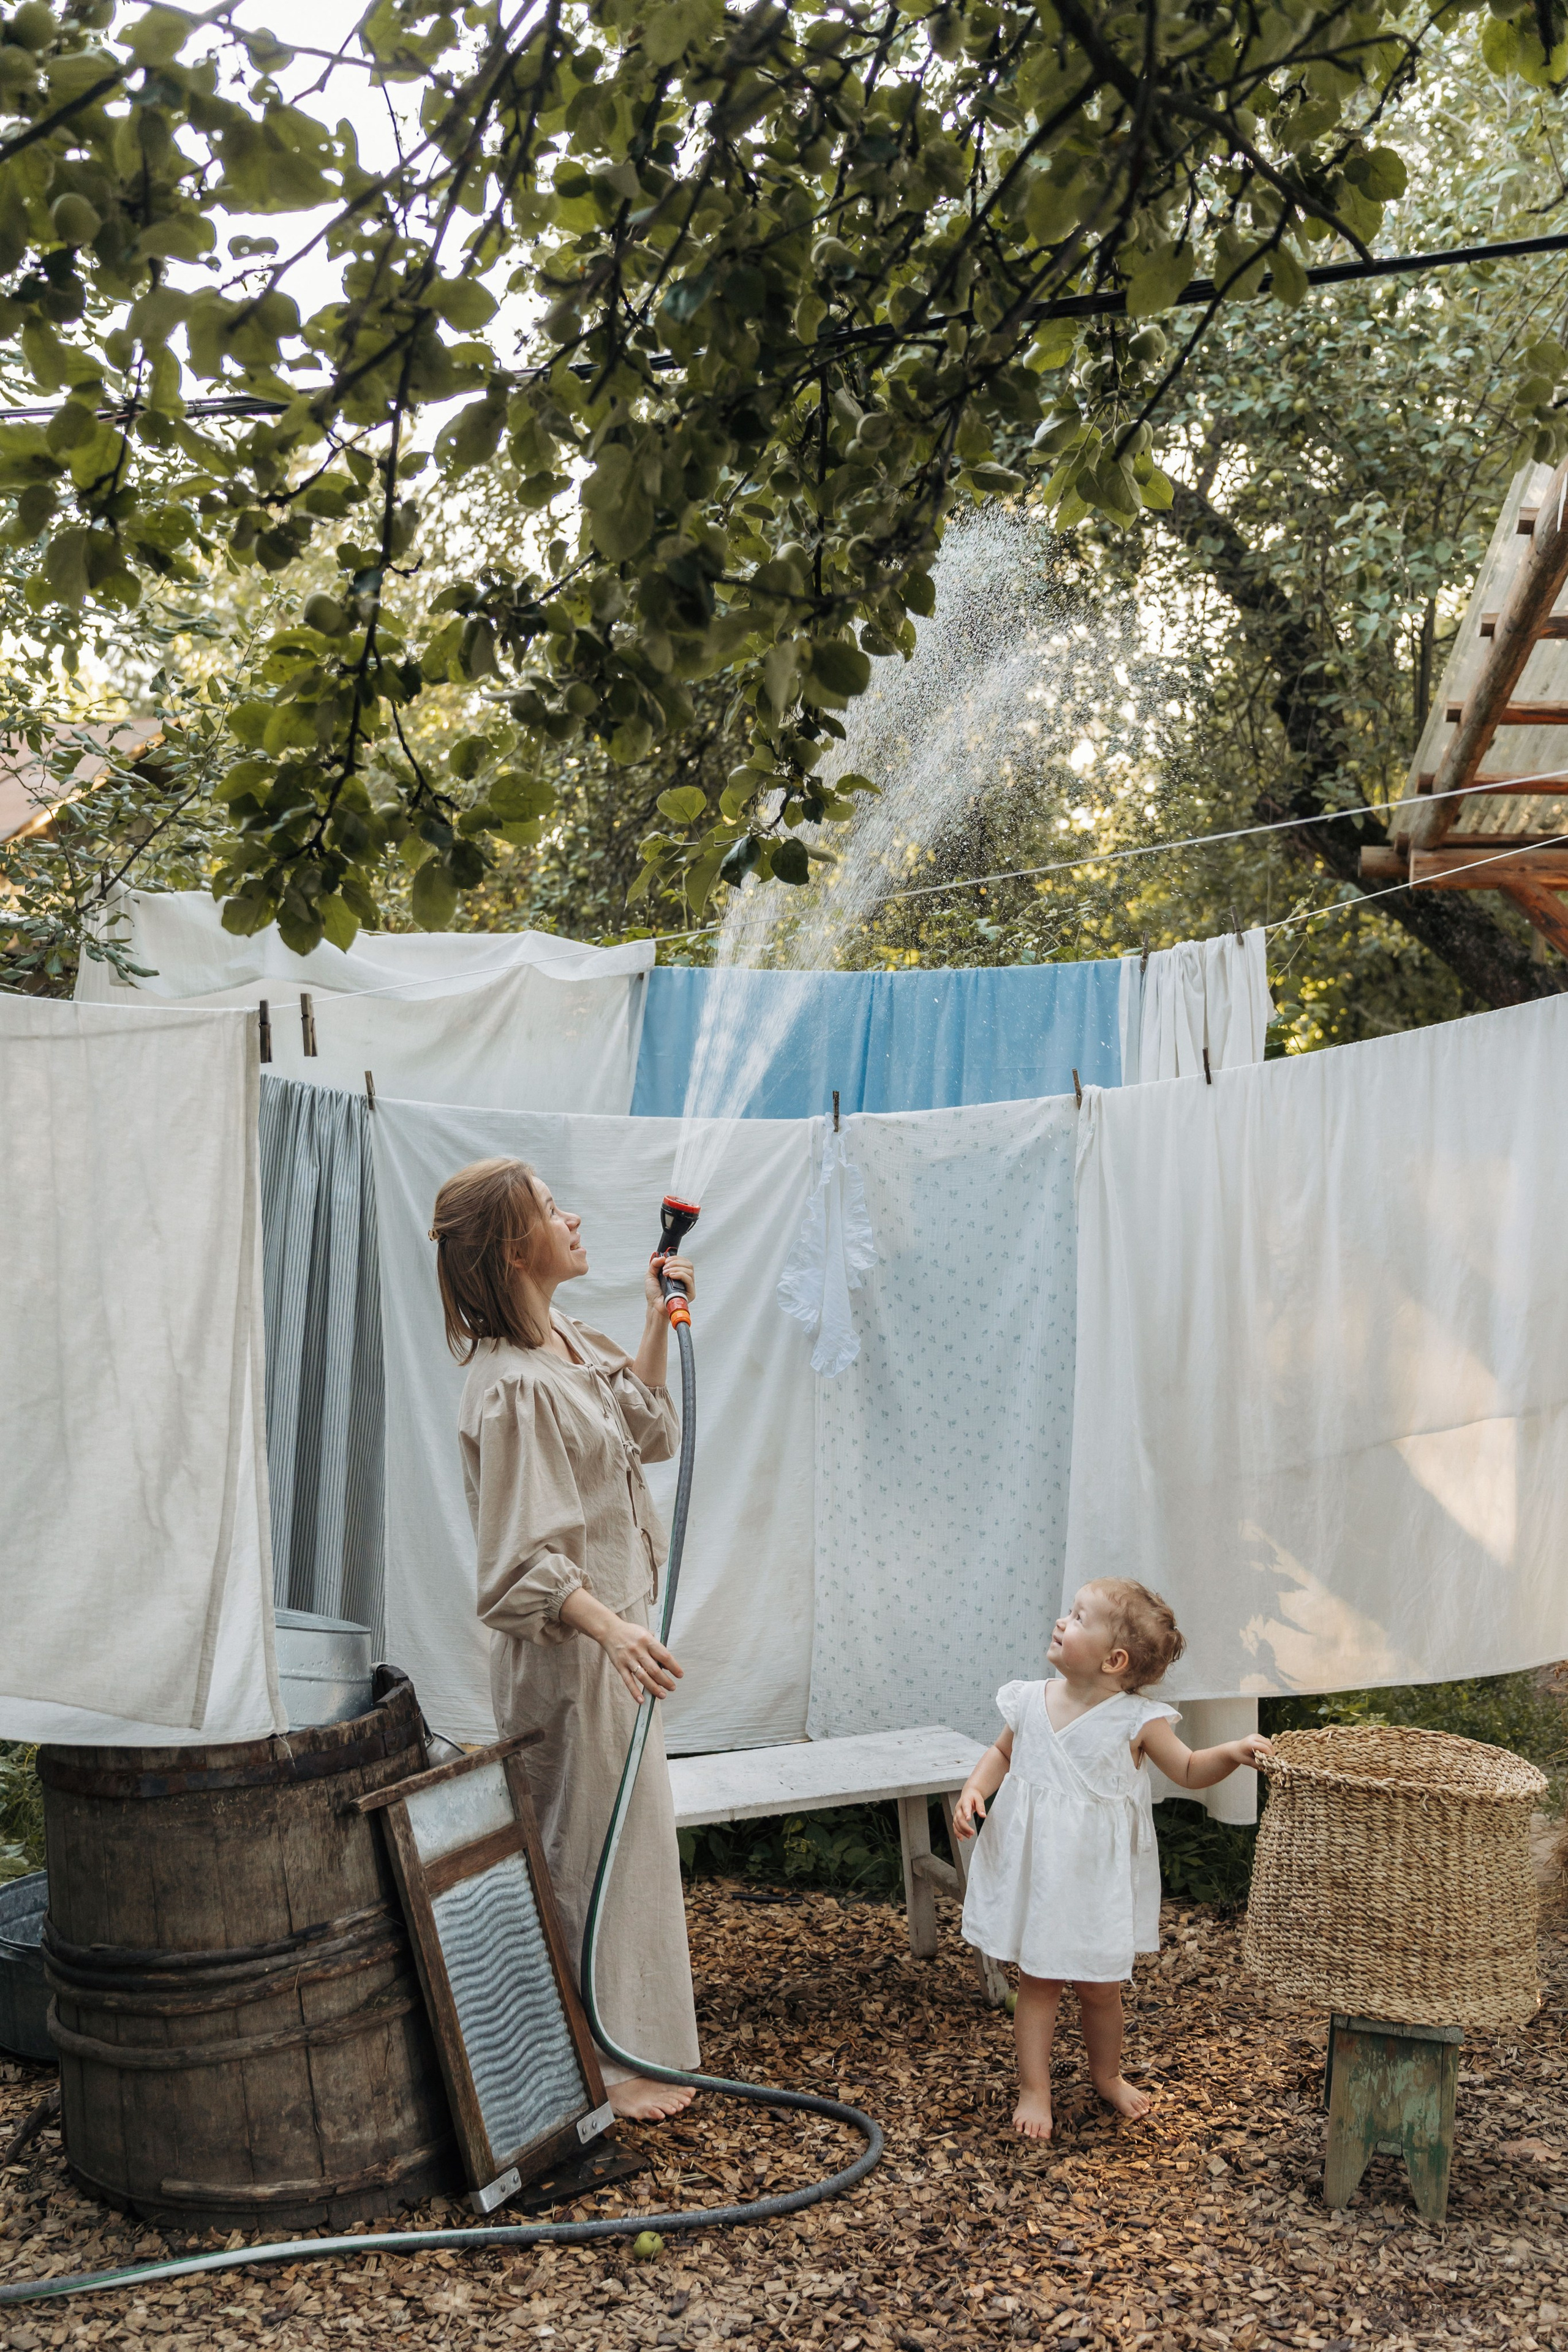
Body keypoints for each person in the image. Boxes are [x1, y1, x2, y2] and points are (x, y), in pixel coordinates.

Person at [430, 1156, 699, 2123]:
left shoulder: (569, 1351)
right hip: (571, 1655)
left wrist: (653, 1320)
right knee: (580, 1848)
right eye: (553, 1209)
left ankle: (627, 2044)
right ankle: (596, 2062)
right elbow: (516, 1566)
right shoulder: (510, 1389)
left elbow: (650, 1432)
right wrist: (609, 1627)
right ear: (515, 1248)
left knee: (625, 1846)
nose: (575, 1216)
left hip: (615, 1642)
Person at [952, 1578, 1271, 2141]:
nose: (1061, 1621)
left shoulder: (1136, 1721)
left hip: (1095, 1882)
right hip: (1040, 1873)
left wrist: (1231, 1752)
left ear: (1113, 1659)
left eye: (1078, 1618)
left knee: (1100, 1987)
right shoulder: (1029, 1699)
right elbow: (1002, 1752)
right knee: (1040, 1980)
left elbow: (1191, 1769)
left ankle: (1108, 2075)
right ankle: (1035, 2088)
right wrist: (976, 1789)